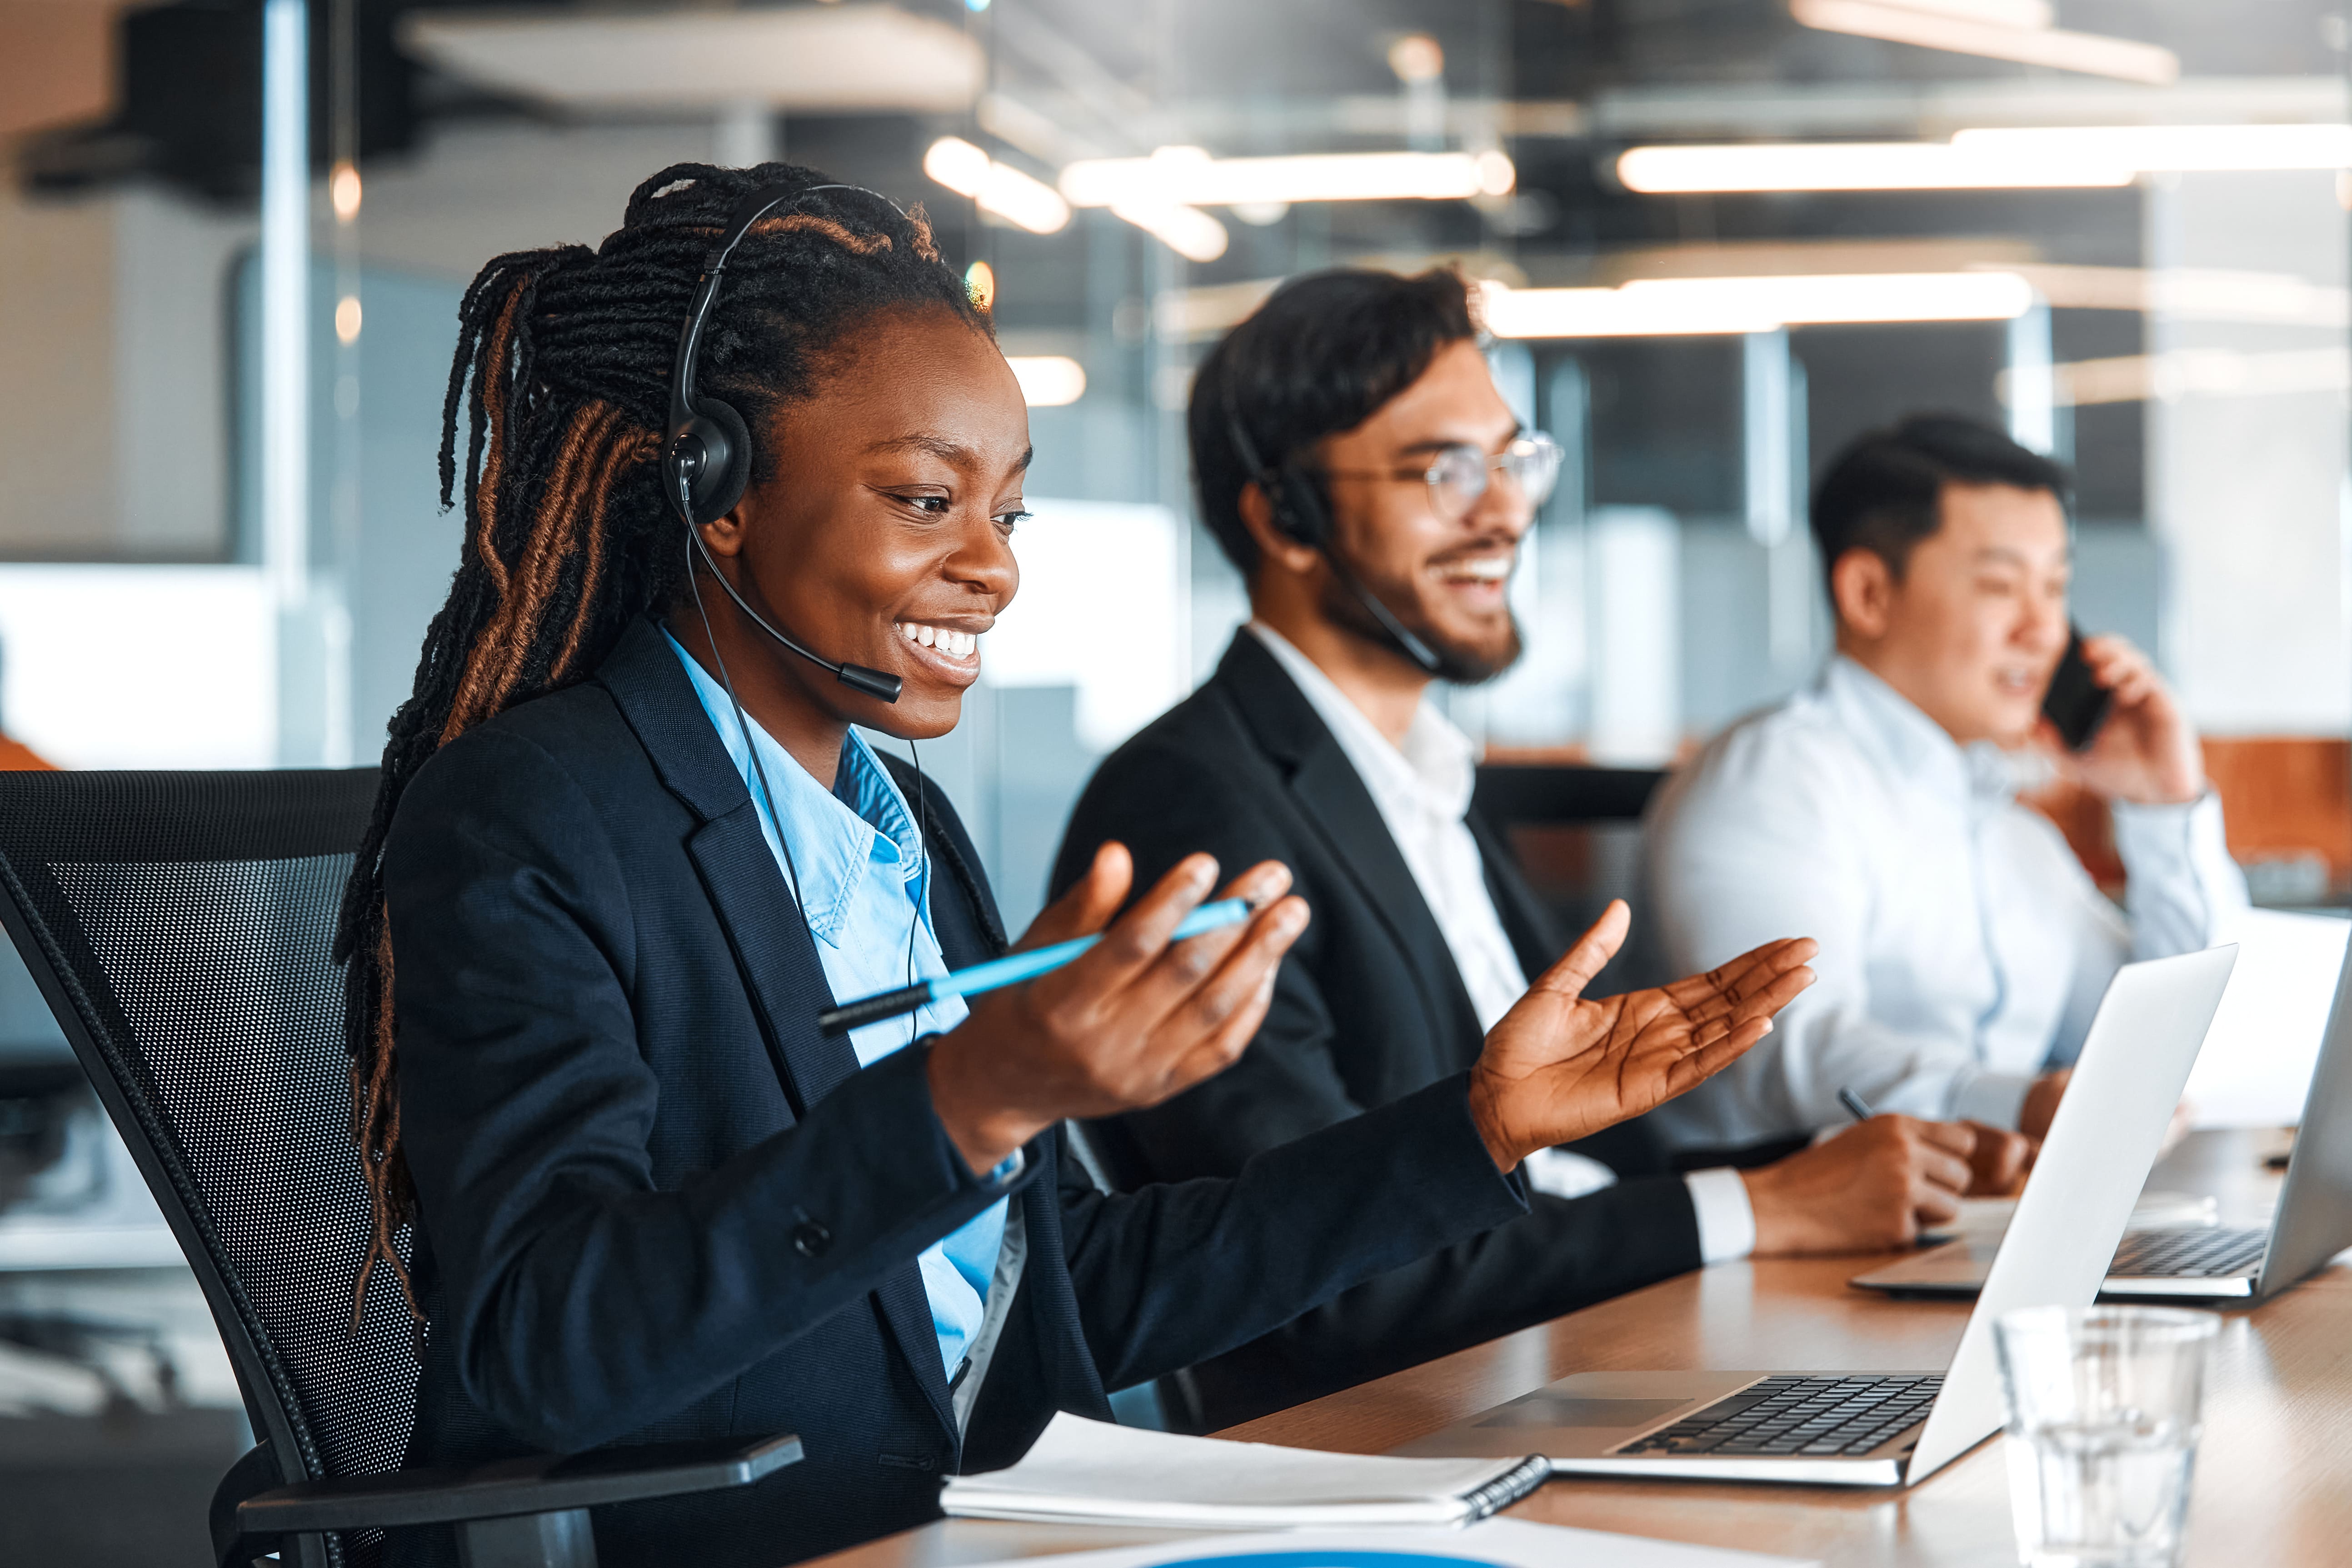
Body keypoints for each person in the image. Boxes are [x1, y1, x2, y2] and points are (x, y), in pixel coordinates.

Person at [335, 167, 1817, 1568]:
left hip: (1004, 1517)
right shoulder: (533, 816)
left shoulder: (898, 827)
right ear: (716, 491)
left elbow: (1063, 1290)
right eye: (926, 499)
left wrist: (1472, 1132)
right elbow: (541, 1347)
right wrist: (973, 1095)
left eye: (1007, 509)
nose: (994, 565)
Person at [1052, 270, 2009, 1426]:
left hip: (1561, 1372)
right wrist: (1758, 1207)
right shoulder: (1189, 804)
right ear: (1284, 516)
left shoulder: (1424, 781)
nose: (1502, 511)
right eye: (1441, 470)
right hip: (1400, 1442)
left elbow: (1569, 1166)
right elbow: (1325, 1285)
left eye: (1512, 461)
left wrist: (1855, 1167)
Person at [1643, 413, 2245, 1154]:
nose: (2044, 630)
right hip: (1785, 1244)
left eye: (2056, 588)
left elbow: (2181, 1044)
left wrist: (2164, 805)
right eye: (2002, 586)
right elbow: (1785, 1047)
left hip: (1978, 1233)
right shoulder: (1775, 778)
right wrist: (2016, 1105)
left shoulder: (2007, 826)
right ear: (1869, 593)